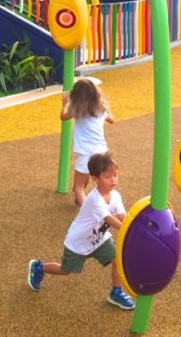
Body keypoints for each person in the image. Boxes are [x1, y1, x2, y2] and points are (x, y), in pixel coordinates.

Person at [26, 152, 135, 310]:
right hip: (78, 243)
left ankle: (116, 292)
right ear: (95, 178)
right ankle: (38, 267)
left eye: (115, 175)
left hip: (100, 240)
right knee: (65, 270)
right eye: (107, 177)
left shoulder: (115, 195)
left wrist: (134, 225)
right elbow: (110, 219)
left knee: (118, 260)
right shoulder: (94, 199)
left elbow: (122, 216)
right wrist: (130, 230)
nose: (113, 180)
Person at [60, 77, 115, 206]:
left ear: (76, 97)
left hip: (86, 154)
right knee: (92, 180)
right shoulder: (101, 110)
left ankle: (91, 211)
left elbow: (63, 117)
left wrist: (65, 104)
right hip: (102, 152)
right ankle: (101, 205)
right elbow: (112, 120)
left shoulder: (77, 111)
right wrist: (106, 107)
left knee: (77, 188)